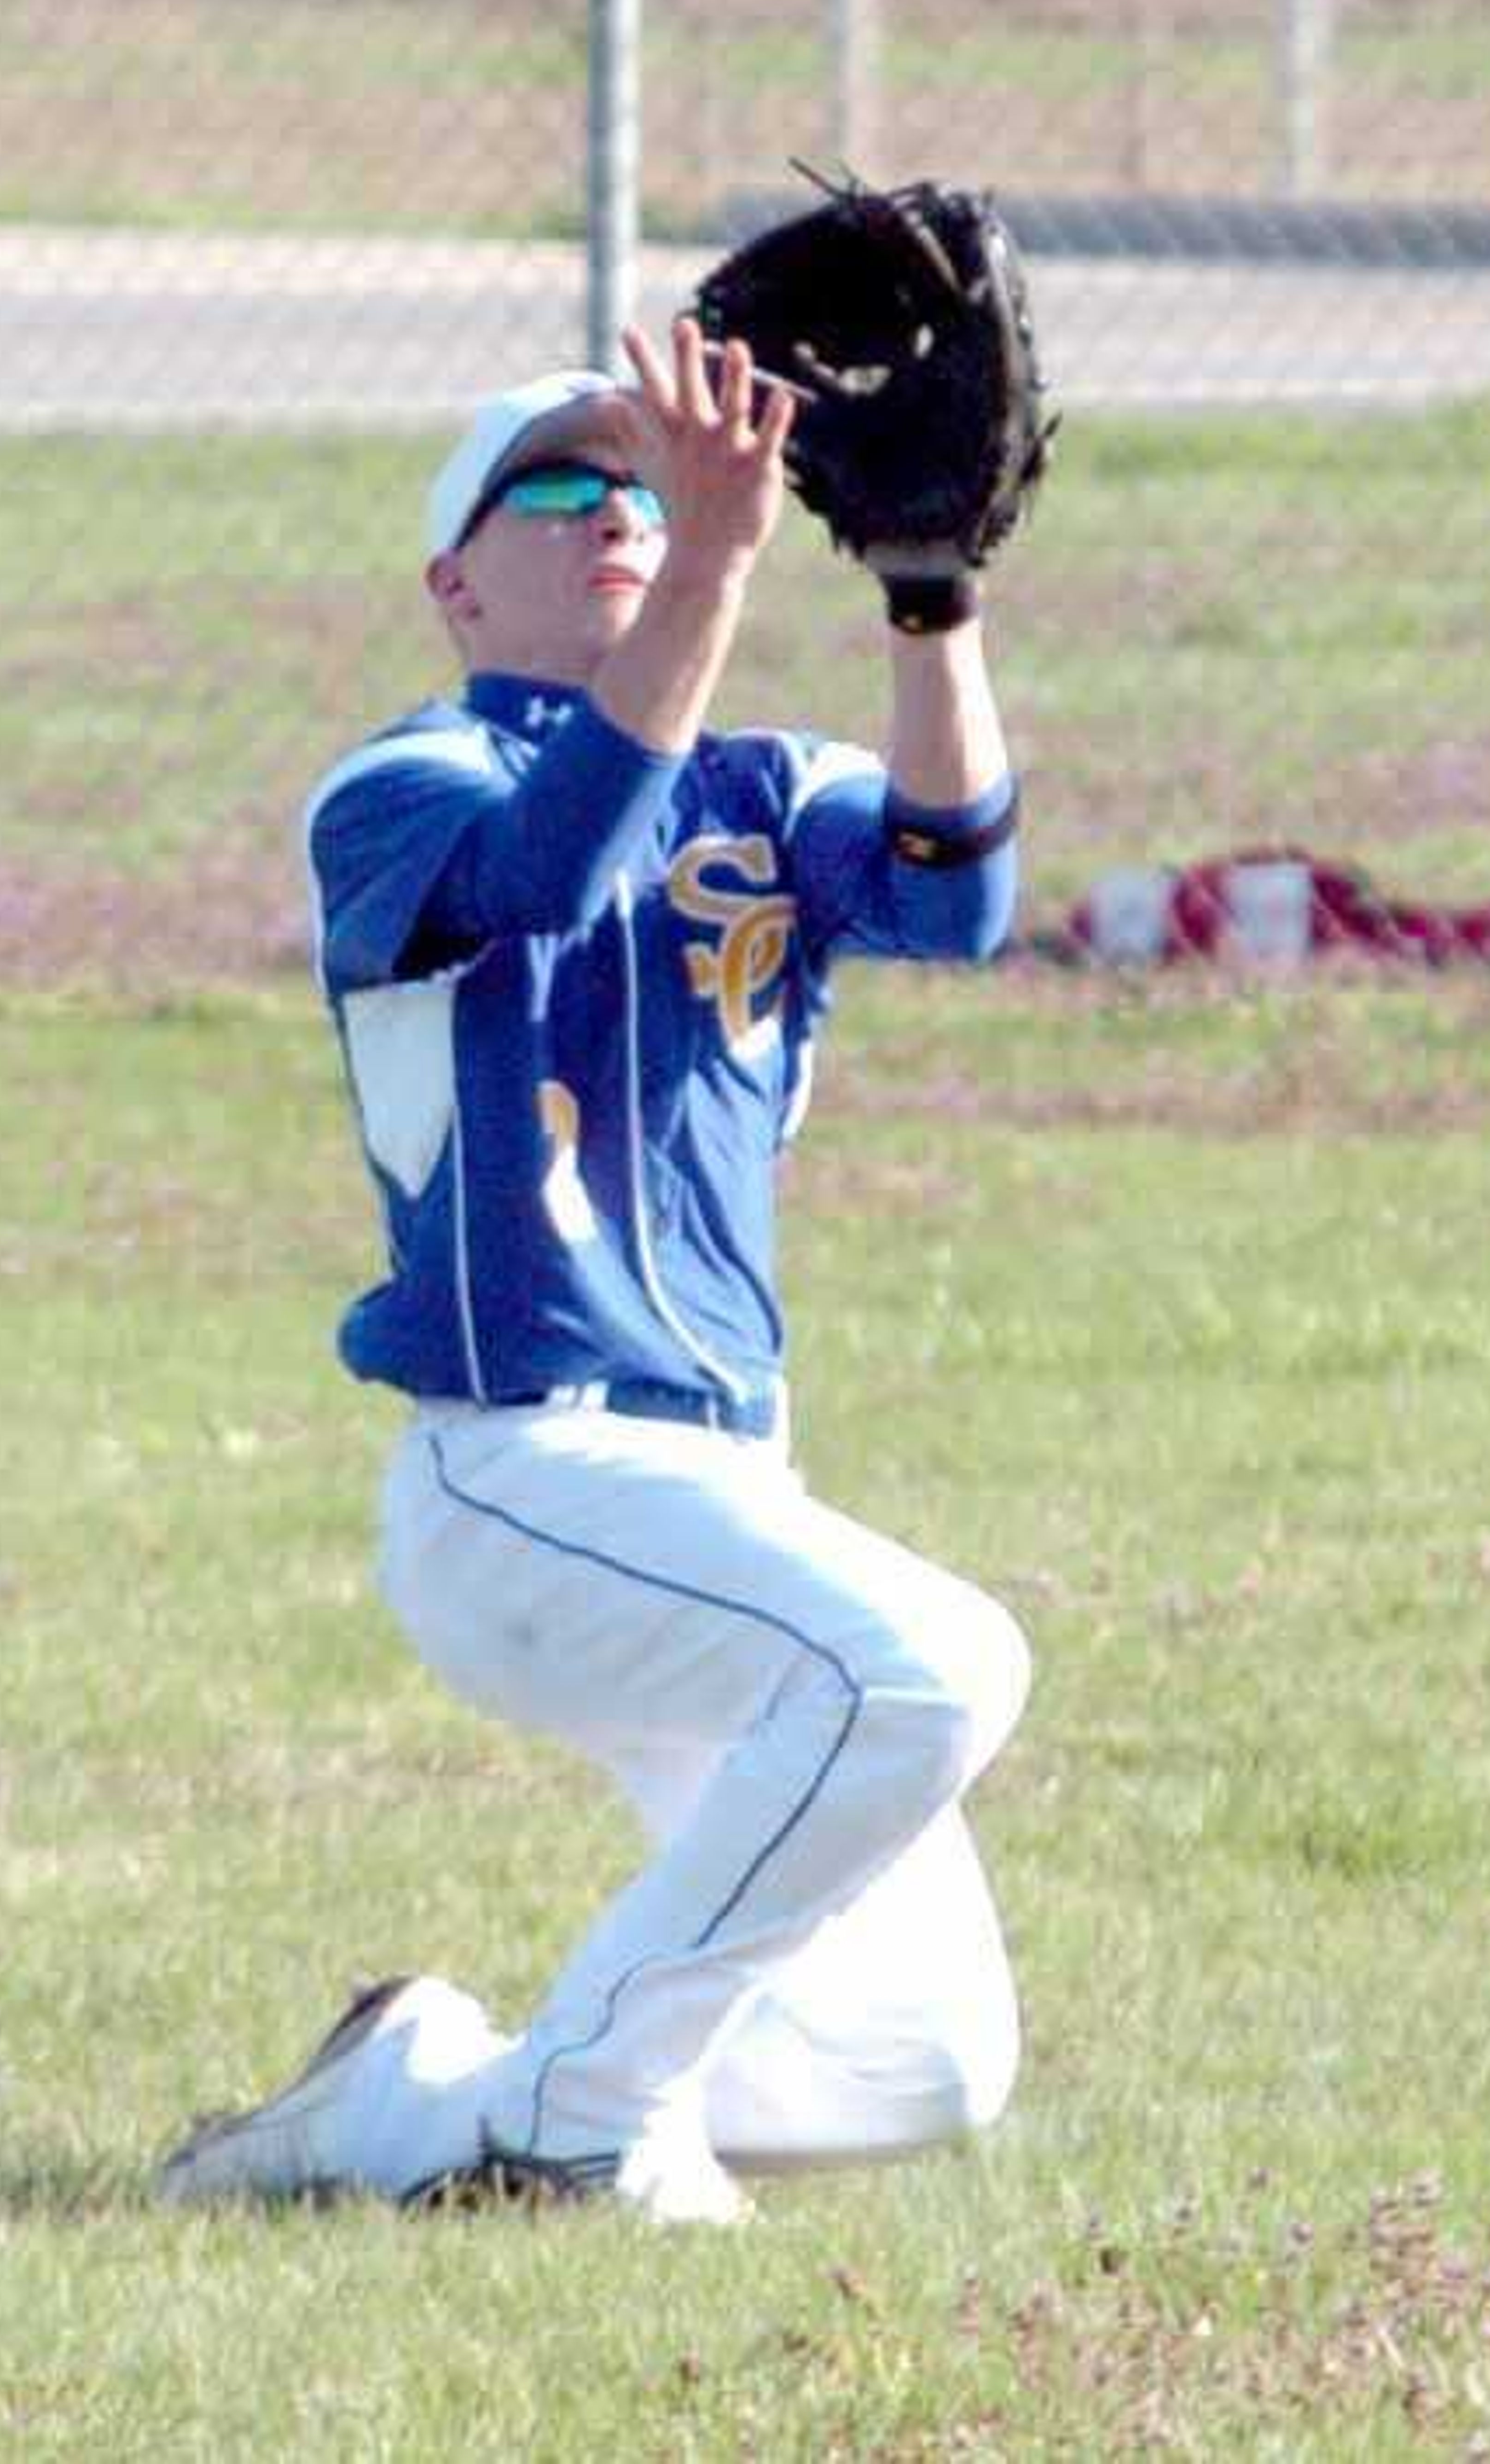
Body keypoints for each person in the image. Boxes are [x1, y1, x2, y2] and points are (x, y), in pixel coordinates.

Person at [158, 316, 1030, 2228]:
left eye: (644, 485)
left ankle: (416, 2104)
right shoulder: (398, 785)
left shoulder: (766, 786)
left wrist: (929, 595)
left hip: (727, 1483)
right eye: (560, 486)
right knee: (940, 1665)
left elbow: (960, 896)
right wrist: (717, 560)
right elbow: (549, 870)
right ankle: (579, 2129)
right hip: (523, 1479)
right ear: (456, 580)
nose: (620, 508)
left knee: (918, 2071)